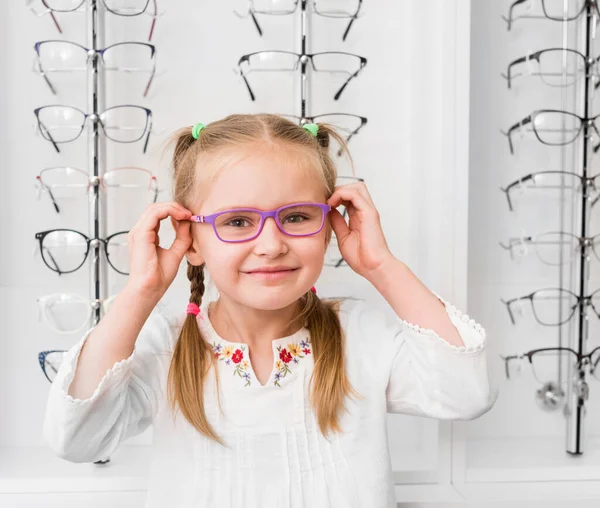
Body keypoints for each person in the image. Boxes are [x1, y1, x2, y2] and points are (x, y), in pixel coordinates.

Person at [43, 114, 495, 508]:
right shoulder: (166, 346)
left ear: (328, 228)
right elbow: (77, 438)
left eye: (297, 217)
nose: (272, 244)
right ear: (191, 240)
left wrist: (382, 266)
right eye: (237, 222)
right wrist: (140, 293)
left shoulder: (360, 334)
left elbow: (465, 393)